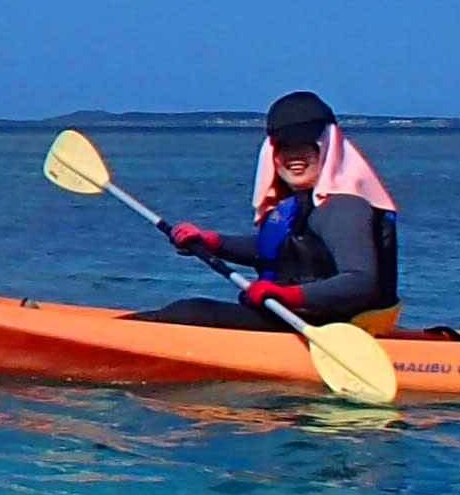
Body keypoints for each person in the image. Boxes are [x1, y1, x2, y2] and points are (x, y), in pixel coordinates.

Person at [152, 89, 401, 332]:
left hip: (336, 328)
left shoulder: (343, 207)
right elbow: (282, 251)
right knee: (188, 310)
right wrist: (212, 242)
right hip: (300, 319)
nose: (295, 157)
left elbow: (360, 282)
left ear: (327, 149)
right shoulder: (299, 205)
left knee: (191, 313)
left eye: (307, 146)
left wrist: (287, 295)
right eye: (285, 147)